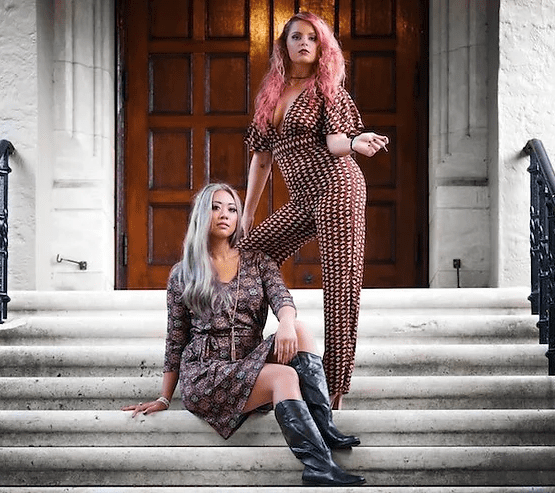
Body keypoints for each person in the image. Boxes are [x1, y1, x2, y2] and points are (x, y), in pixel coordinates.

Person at [122, 183, 365, 486]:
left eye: (232, 208)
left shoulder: (258, 261)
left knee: (299, 329)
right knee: (284, 377)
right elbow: (175, 339)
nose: (224, 214)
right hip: (207, 374)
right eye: (215, 206)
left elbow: (282, 299)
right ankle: (318, 465)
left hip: (249, 361)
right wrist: (164, 396)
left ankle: (324, 426)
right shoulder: (183, 273)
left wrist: (286, 323)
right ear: (201, 214)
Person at [239, 11, 389, 410]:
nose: (304, 43)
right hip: (304, 198)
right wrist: (247, 214)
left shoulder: (328, 90)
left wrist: (357, 143)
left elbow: (337, 140)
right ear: (284, 46)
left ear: (321, 46)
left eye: (312, 37)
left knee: (340, 289)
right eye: (295, 37)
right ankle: (243, 355)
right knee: (249, 255)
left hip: (338, 186)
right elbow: (260, 160)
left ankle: (334, 392)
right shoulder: (270, 95)